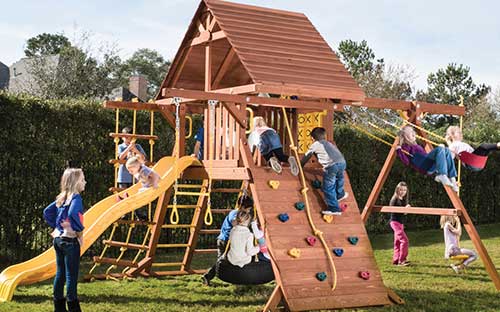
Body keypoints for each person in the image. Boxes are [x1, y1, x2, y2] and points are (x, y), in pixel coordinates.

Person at [43, 168, 86, 312]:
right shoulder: (76, 197)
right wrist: (79, 230)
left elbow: (47, 212)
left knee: (60, 273)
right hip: (70, 242)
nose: (84, 182)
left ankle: (59, 308)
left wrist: (57, 226)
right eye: (82, 179)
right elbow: (74, 213)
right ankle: (73, 307)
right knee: (71, 276)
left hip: (58, 241)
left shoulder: (62, 197)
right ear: (75, 182)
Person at [202, 195, 254, 286]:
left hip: (226, 240)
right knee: (222, 260)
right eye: (248, 209)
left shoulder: (240, 214)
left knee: (227, 260)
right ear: (242, 207)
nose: (248, 211)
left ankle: (236, 278)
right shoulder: (235, 213)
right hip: (225, 240)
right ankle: (207, 276)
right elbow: (234, 222)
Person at [301, 127, 348, 215]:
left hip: (332, 166)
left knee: (328, 187)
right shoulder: (329, 144)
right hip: (342, 162)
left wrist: (300, 165)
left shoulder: (315, 144)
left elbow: (307, 156)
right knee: (339, 178)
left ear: (312, 138)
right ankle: (340, 194)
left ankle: (334, 209)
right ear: (324, 136)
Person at [397, 126, 459, 192]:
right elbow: (406, 162)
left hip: (428, 163)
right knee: (440, 148)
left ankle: (453, 179)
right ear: (405, 137)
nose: (413, 133)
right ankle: (441, 175)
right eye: (410, 133)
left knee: (446, 150)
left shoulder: (416, 145)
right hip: (423, 165)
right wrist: (398, 150)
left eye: (413, 131)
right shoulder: (405, 147)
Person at [389, 182, 410, 266]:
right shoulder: (395, 199)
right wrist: (405, 209)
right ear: (397, 189)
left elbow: (403, 213)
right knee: (405, 241)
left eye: (404, 190)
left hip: (400, 223)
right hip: (395, 222)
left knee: (397, 242)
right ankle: (402, 260)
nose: (402, 191)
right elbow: (395, 211)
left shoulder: (403, 199)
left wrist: (406, 209)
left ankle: (396, 260)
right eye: (401, 189)